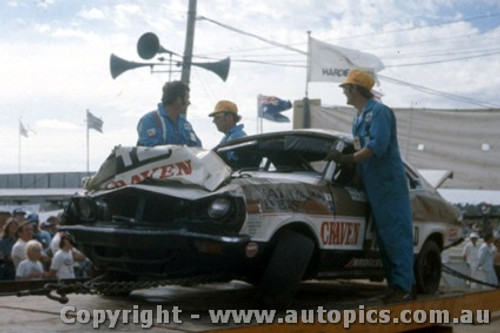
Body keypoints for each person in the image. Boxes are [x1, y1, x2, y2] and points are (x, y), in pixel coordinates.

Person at [326, 69, 415, 303]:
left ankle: (404, 288)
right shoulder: (357, 118)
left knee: (396, 235)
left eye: (346, 88)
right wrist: (355, 172)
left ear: (355, 89)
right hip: (373, 186)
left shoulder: (380, 112)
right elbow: (358, 147)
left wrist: (350, 160)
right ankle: (396, 286)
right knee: (385, 238)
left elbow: (378, 146)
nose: (344, 93)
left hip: (389, 185)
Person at [136, 80, 202, 147]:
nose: (189, 103)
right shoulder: (150, 120)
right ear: (178, 99)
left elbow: (197, 147)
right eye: (187, 98)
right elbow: (150, 151)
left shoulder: (185, 124)